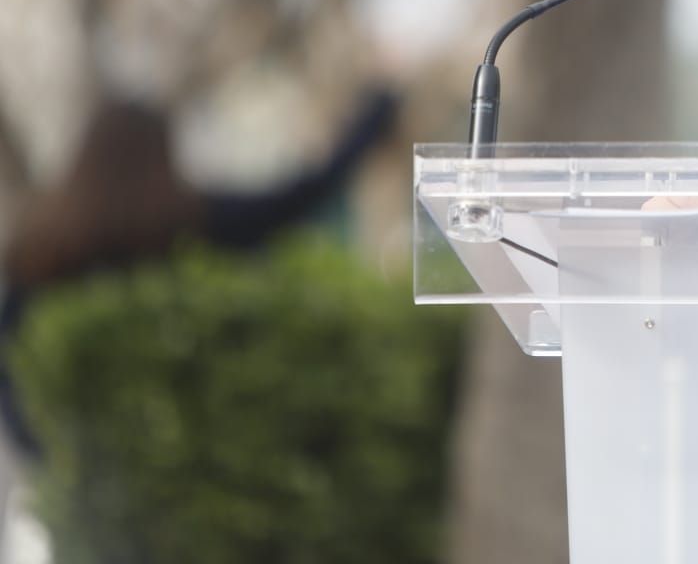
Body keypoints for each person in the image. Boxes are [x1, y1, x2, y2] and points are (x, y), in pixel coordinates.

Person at [0, 89, 399, 458]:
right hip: (186, 462)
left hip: (79, 478)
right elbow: (297, 198)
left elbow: (9, 368)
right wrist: (373, 118)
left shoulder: (43, 250)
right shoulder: (188, 226)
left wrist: (53, 457)